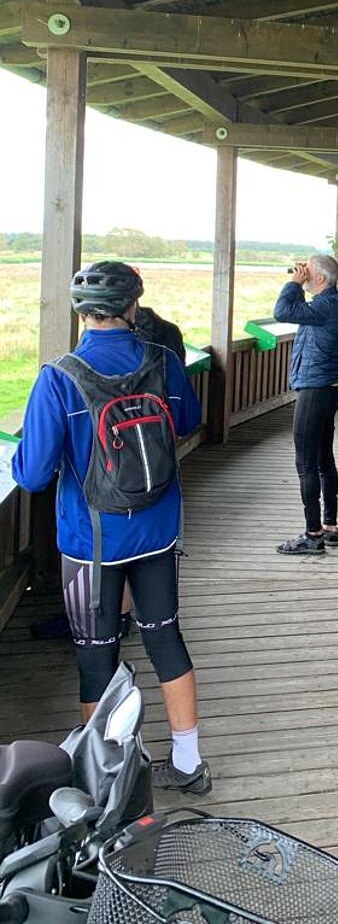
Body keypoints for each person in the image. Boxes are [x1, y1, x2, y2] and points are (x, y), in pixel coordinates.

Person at [12, 261, 210, 794]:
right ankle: (189, 763)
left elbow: (31, 473)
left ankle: (103, 777)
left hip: (91, 541)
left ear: (82, 313)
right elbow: (187, 421)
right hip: (159, 531)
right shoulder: (164, 362)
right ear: (133, 308)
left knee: (96, 654)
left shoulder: (59, 377)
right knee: (166, 639)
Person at [273, 255, 338, 556]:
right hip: (327, 386)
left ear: (319, 279)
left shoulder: (326, 304)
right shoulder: (331, 303)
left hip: (316, 390)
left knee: (306, 462)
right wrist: (301, 282)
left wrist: (293, 282)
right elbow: (295, 311)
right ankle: (329, 527)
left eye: (308, 272)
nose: (302, 274)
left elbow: (282, 311)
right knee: (322, 459)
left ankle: (313, 534)